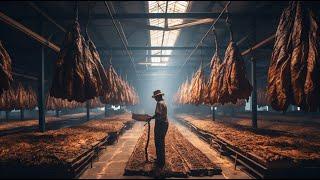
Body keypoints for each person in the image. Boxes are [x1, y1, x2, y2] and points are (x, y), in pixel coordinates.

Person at [147, 89, 169, 176]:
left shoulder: (159, 103)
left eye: (156, 97)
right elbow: (159, 114)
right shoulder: (163, 102)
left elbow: (158, 115)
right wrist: (152, 117)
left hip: (161, 124)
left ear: (158, 96)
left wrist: (151, 118)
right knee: (161, 142)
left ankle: (160, 162)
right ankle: (160, 159)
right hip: (164, 123)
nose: (155, 99)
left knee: (159, 142)